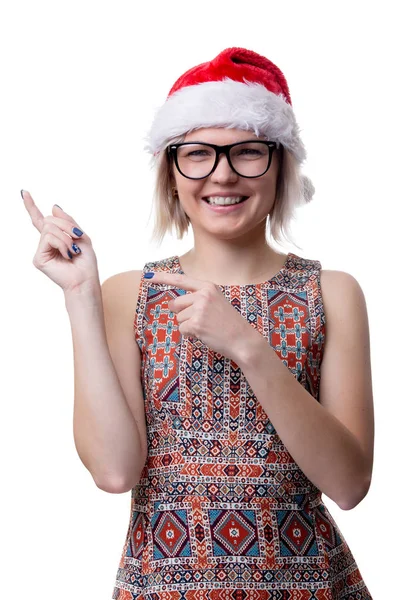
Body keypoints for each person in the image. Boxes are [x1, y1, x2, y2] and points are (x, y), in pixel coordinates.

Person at [22, 47, 374, 599]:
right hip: (163, 586)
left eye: (248, 152)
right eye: (198, 154)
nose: (223, 173)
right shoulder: (127, 295)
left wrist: (250, 348)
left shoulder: (332, 293)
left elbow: (350, 485)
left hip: (308, 585)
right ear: (172, 170)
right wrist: (81, 297)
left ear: (280, 164)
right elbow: (115, 473)